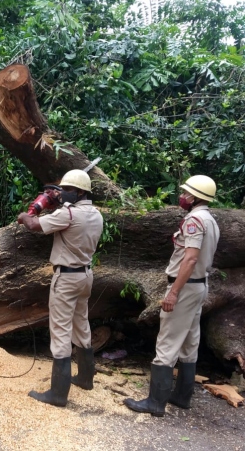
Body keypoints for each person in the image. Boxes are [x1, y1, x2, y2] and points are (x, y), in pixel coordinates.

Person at [124, 175, 220, 417]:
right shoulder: (211, 219)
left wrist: (174, 292)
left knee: (167, 342)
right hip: (200, 286)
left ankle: (155, 402)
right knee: (189, 342)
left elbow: (190, 258)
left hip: (186, 287)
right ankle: (182, 396)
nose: (183, 197)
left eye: (187, 193)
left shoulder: (194, 221)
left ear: (197, 197)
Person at [17, 169, 104, 407]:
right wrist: (59, 203)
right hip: (85, 276)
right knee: (81, 324)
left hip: (66, 278)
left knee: (60, 331)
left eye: (67, 189)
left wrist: (26, 214)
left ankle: (58, 393)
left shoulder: (68, 214)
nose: (63, 192)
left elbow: (34, 225)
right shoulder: (96, 214)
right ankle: (86, 378)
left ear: (79, 192)